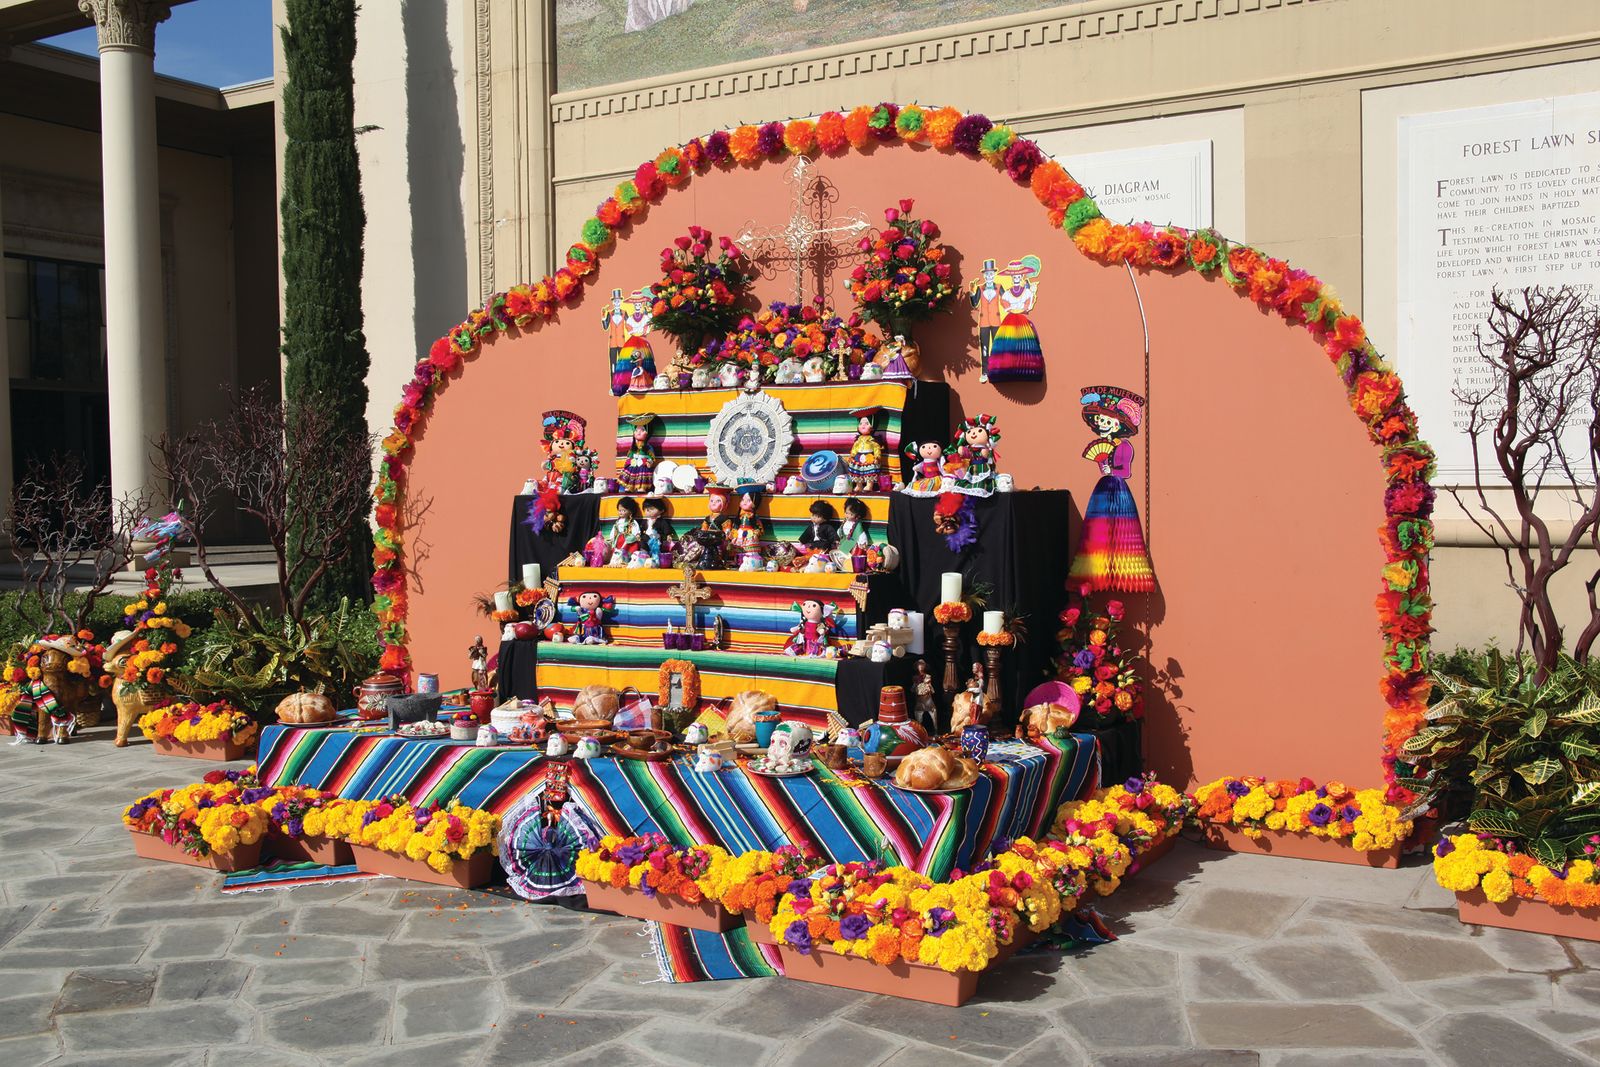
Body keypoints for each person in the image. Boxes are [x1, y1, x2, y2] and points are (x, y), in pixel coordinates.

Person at [1067, 386, 1155, 593]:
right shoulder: (1105, 446)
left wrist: (1111, 469)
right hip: (1104, 489)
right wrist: (1104, 466)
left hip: (1118, 488)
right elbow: (1103, 463)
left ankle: (1123, 573)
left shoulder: (1124, 447)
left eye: (1109, 421)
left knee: (1121, 531)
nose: (1104, 425)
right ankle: (1096, 572)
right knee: (1099, 530)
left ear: (1118, 425)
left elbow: (1124, 470)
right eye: (1101, 421)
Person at [987, 257, 1045, 382]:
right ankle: (1003, 369)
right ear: (1011, 278)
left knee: (1026, 347)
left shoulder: (1027, 293)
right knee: (1007, 348)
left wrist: (1031, 292)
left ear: (1022, 277)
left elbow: (1026, 305)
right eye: (1014, 277)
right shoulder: (1007, 294)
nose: (1016, 279)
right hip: (1008, 325)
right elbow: (1007, 304)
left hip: (1023, 323)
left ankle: (1029, 369)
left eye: (1019, 276)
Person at [968, 259, 1002, 383]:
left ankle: (998, 370)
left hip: (996, 321)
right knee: (985, 348)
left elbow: (1006, 300)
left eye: (991, 274)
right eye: (987, 274)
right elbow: (974, 303)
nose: (989, 276)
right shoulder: (980, 289)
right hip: (984, 322)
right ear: (984, 275)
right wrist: (972, 293)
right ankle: (985, 371)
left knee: (997, 347)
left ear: (994, 274)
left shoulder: (999, 287)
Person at [846, 406, 883, 492]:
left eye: (866, 423)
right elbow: (854, 449)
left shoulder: (872, 441)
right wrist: (852, 456)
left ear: (873, 426)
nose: (863, 425)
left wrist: (877, 457)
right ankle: (859, 485)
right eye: (861, 423)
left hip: (869, 457)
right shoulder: (858, 440)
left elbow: (877, 449)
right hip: (858, 457)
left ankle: (869, 485)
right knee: (858, 472)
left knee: (869, 472)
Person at [617, 414, 658, 494]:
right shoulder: (633, 447)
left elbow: (652, 457)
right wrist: (628, 462)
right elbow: (630, 455)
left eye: (642, 430)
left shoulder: (648, 447)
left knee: (641, 476)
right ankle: (629, 487)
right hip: (633, 464)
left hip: (643, 465)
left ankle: (641, 488)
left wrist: (650, 462)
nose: (638, 432)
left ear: (647, 433)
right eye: (636, 430)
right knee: (630, 475)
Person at [608, 497, 643, 567]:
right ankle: (618, 559)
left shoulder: (632, 522)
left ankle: (627, 559)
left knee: (631, 545)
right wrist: (611, 538)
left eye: (623, 510)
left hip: (628, 538)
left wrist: (637, 534)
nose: (621, 512)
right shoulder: (617, 522)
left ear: (630, 511)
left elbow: (635, 528)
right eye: (619, 510)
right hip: (619, 538)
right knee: (616, 548)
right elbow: (614, 529)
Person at [640, 496, 676, 565]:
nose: (649, 511)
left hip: (656, 539)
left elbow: (666, 528)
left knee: (657, 548)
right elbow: (641, 529)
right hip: (646, 538)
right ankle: (644, 555)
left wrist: (668, 534)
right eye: (647, 510)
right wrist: (639, 534)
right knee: (643, 543)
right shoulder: (645, 521)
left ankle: (655, 559)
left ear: (661, 510)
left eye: (652, 509)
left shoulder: (661, 521)